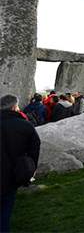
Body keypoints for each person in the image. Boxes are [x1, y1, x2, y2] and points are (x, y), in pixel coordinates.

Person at [1, 94, 41, 232]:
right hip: (11, 176)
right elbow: (34, 149)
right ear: (14, 107)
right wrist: (30, 170)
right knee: (4, 213)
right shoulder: (25, 125)